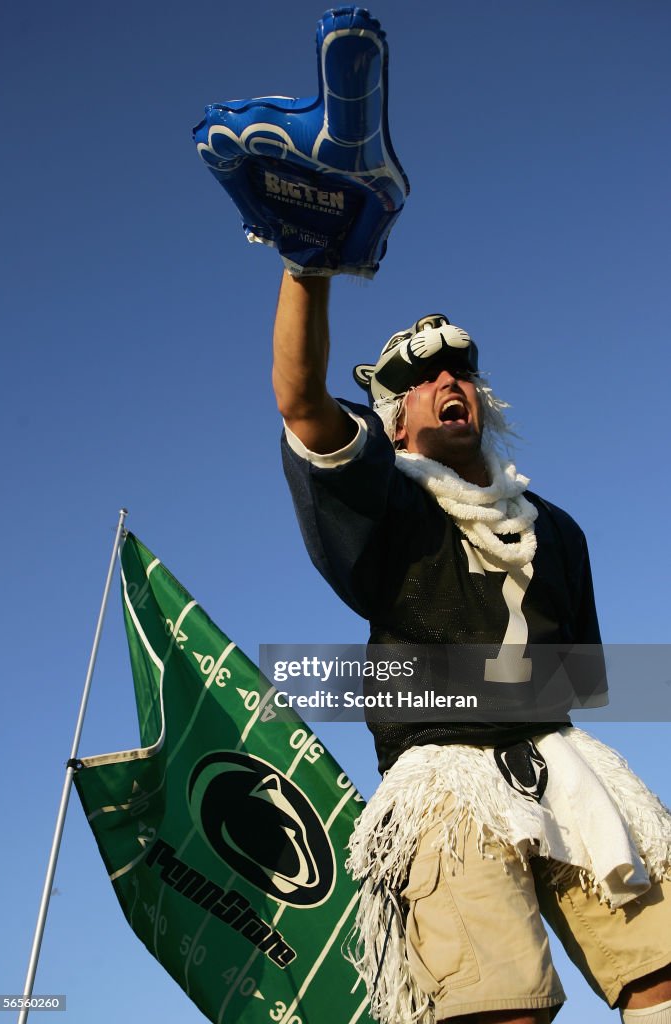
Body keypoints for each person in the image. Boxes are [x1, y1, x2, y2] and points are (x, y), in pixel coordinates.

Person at [272, 271, 671, 1024]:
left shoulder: (555, 528)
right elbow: (300, 404)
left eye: (457, 372)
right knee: (503, 1006)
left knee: (664, 972)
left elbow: (575, 677)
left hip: (565, 763)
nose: (446, 381)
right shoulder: (383, 497)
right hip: (444, 782)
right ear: (393, 422)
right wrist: (307, 267)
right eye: (420, 380)